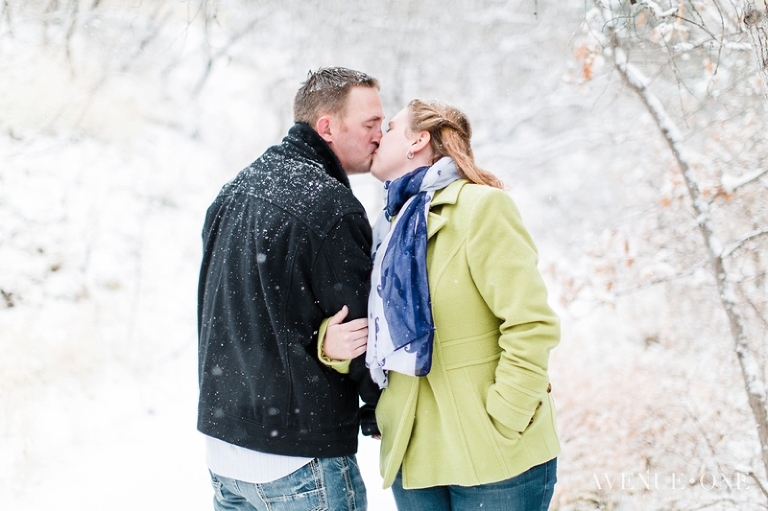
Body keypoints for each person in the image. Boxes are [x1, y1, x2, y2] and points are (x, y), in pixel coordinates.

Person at [197, 67, 384, 511]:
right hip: (299, 459)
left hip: (227, 450)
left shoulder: (236, 188)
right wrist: (381, 408)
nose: (380, 134)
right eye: (370, 124)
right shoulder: (330, 206)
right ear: (327, 128)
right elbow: (360, 329)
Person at [366, 99, 561, 510]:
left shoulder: (481, 207)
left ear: (418, 140)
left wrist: (507, 414)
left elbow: (530, 323)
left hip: (492, 451)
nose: (377, 137)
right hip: (415, 451)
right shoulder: (387, 226)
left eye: (389, 128)